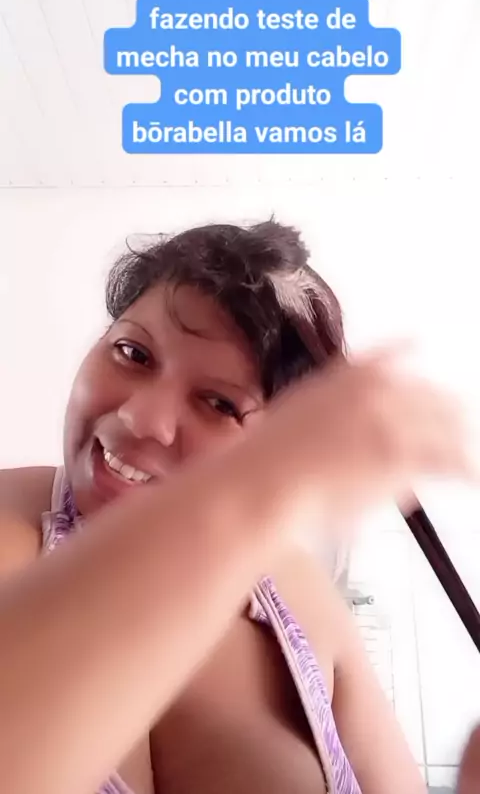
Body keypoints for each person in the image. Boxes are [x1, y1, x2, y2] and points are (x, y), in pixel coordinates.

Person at [0, 219, 475, 794]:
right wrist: (250, 492)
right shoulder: (10, 522)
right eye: (133, 352)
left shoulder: (297, 591)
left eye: (219, 403)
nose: (140, 418)